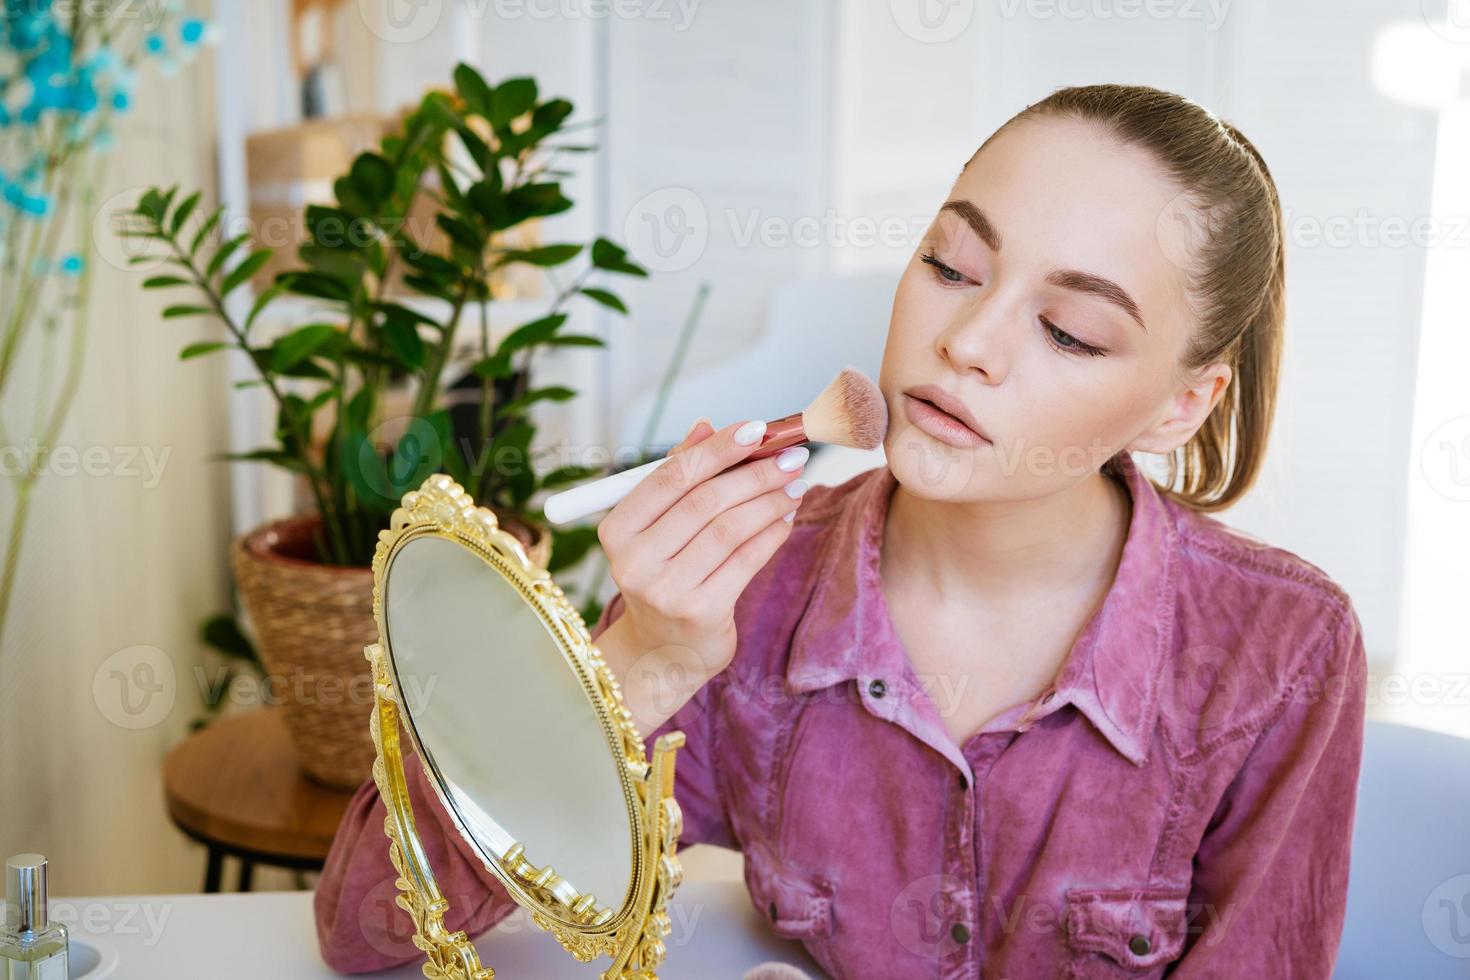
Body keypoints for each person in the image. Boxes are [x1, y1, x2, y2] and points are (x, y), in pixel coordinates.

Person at [314, 83, 1367, 978]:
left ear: (1183, 404)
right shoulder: (746, 591)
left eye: (1069, 330)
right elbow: (364, 925)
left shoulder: (1282, 650)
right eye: (951, 265)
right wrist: (635, 662)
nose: (965, 342)